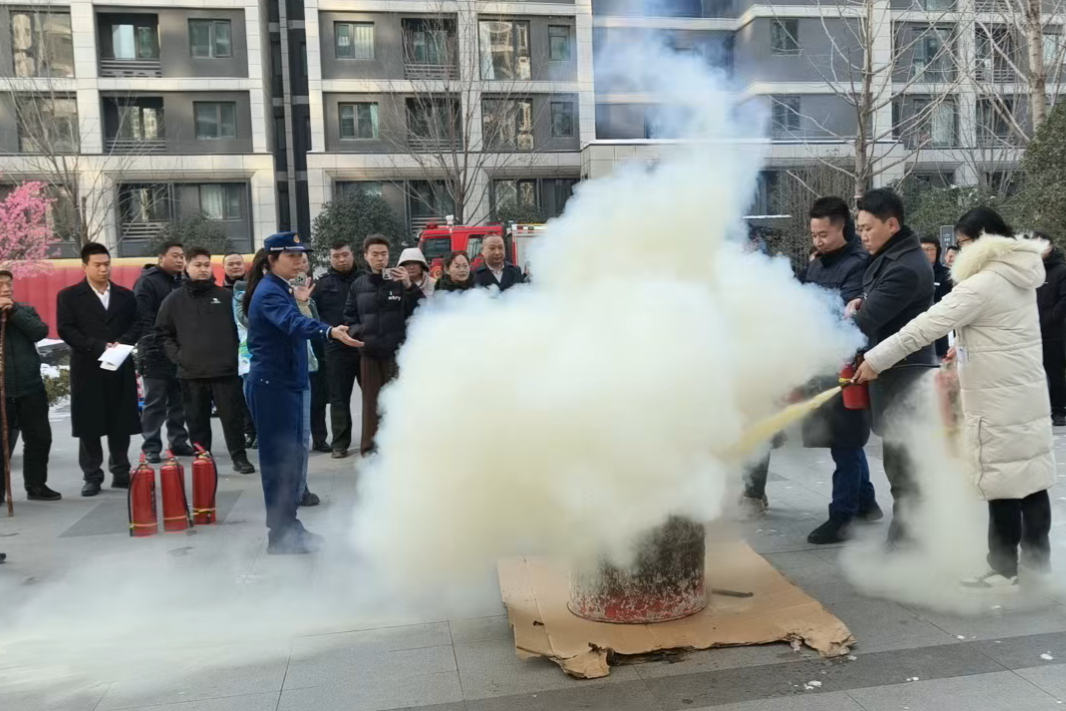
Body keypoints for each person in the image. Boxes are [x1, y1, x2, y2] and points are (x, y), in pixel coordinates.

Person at [856, 208, 1054, 590]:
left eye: (962, 244)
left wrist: (875, 360)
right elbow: (1000, 329)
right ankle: (1037, 564)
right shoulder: (1020, 274)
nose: (956, 252)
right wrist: (964, 347)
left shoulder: (980, 285)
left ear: (982, 241)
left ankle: (1002, 570)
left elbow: (923, 327)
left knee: (1001, 483)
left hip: (996, 398)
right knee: (1030, 476)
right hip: (1024, 391)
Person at [243, 232, 362, 554]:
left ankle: (289, 527)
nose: (299, 260)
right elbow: (292, 322)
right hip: (273, 387)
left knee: (293, 458)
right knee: (279, 461)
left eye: (301, 255)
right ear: (271, 259)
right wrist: (328, 330)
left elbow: (294, 317)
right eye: (291, 255)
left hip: (288, 384)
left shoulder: (281, 288)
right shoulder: (270, 292)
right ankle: (280, 535)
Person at [847, 188, 935, 546]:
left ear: (893, 224)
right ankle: (907, 537)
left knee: (904, 465)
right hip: (891, 374)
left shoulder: (905, 268)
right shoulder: (893, 257)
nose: (863, 235)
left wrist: (852, 314)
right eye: (860, 228)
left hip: (903, 377)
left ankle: (908, 542)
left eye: (868, 228)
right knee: (898, 461)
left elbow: (866, 321)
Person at [801, 197, 881, 543]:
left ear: (842, 228)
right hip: (819, 360)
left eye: (824, 234)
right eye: (814, 235)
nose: (818, 241)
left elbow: (845, 317)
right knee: (843, 442)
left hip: (848, 363)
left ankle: (843, 515)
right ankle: (866, 502)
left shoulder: (858, 263)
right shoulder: (817, 264)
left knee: (845, 443)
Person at [156, 248, 256, 475]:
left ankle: (239, 458)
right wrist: (179, 357)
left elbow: (243, 330)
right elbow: (163, 334)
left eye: (206, 265)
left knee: (232, 419)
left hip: (225, 370)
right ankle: (203, 459)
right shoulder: (173, 301)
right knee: (196, 421)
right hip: (191, 372)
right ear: (187, 267)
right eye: (198, 265)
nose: (203, 269)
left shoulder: (226, 297)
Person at [57, 244, 142, 497]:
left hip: (119, 365)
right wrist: (97, 346)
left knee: (120, 421)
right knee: (90, 425)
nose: (103, 269)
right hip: (87, 366)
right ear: (85, 267)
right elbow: (66, 329)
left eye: (106, 264)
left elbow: (138, 324)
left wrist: (123, 343)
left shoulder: (125, 296)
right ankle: (92, 476)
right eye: (97, 264)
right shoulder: (69, 296)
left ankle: (121, 471)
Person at [345, 235, 423, 456]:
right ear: (366, 256)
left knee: (395, 400)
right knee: (370, 402)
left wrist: (409, 285)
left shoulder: (399, 281)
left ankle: (397, 445)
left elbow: (418, 308)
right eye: (375, 254)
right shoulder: (358, 285)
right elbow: (349, 315)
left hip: (394, 352)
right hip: (368, 352)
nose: (380, 259)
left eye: (384, 254)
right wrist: (358, 333)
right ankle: (369, 448)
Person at [0, 270, 59, 503]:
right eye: (1, 285)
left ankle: (36, 485)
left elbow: (39, 332)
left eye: (8, 284)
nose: (6, 288)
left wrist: (13, 313)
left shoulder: (24, 310)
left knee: (39, 437)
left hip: (30, 386)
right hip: (2, 390)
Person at [134, 241, 191, 462]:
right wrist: (156, 343)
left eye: (182, 256)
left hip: (181, 351)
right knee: (155, 402)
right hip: (154, 351)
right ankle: (151, 446)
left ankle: (178, 441)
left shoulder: (184, 282)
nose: (180, 260)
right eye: (175, 256)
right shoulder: (147, 282)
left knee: (179, 401)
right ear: (161, 258)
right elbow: (142, 317)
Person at [312, 241, 362, 459]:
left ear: (352, 255)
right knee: (338, 397)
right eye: (336, 256)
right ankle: (340, 443)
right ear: (330, 258)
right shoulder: (321, 285)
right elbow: (315, 316)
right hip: (336, 349)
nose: (341, 260)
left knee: (372, 396)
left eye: (345, 255)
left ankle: (374, 440)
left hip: (363, 346)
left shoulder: (365, 280)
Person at [1034, 231, 1066, 427]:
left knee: (1054, 372)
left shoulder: (1061, 270)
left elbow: (1064, 300)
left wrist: (1050, 319)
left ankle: (1059, 409)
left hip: (1053, 332)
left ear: (1051, 245)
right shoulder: (1029, 270)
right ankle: (1040, 409)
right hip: (1030, 331)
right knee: (1033, 373)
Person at [921, 236, 954, 358]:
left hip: (938, 331)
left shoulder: (946, 274)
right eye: (922, 249)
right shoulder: (910, 273)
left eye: (930, 249)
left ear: (937, 251)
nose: (926, 253)